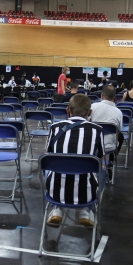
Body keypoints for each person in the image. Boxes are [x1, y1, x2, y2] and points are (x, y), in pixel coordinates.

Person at [44, 94, 104, 228]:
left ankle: (56, 209)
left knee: (48, 166)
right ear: (90, 112)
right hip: (86, 195)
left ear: (68, 109)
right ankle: (86, 211)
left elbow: (48, 155)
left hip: (55, 192)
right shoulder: (97, 130)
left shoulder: (55, 128)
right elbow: (99, 160)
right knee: (103, 171)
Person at [89, 85, 124, 179]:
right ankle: (111, 162)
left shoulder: (93, 107)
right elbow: (119, 130)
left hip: (92, 146)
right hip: (109, 147)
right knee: (120, 136)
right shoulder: (118, 112)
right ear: (114, 97)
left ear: (102, 95)